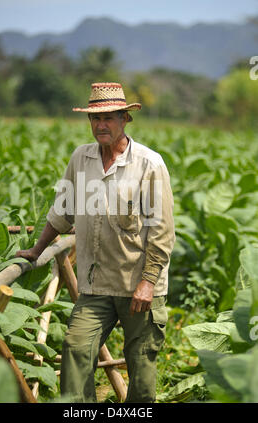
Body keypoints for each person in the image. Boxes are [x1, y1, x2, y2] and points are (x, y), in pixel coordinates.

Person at [16, 82, 175, 403]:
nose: (101, 125)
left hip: (139, 286)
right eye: (94, 119)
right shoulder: (81, 158)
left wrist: (148, 281)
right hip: (95, 285)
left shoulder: (149, 164)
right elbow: (62, 212)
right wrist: (36, 250)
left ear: (125, 120)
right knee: (75, 348)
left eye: (109, 118)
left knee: (141, 368)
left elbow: (162, 230)